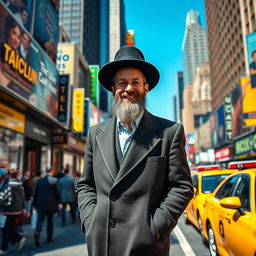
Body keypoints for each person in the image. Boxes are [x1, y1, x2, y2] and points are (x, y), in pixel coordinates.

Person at [76, 46, 194, 256]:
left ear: (146, 88)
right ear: (113, 89)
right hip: (102, 244)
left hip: (146, 246)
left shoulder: (169, 132)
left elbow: (182, 186)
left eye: (135, 82)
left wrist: (156, 228)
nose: (128, 88)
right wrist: (90, 221)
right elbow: (86, 185)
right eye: (122, 82)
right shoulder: (96, 133)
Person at [33, 167, 61, 247]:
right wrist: (59, 202)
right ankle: (49, 238)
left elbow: (36, 194)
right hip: (51, 204)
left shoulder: (39, 181)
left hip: (41, 204)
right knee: (50, 221)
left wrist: (34, 205)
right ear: (51, 172)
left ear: (46, 172)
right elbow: (57, 193)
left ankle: (37, 232)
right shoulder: (55, 180)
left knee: (40, 220)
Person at [0, 168, 26, 255]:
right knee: (12, 226)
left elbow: (2, 197)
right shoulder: (20, 185)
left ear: (9, 175)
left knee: (5, 229)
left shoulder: (8, 185)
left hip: (8, 210)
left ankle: (3, 249)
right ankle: (19, 239)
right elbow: (23, 198)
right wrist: (22, 208)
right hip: (17, 210)